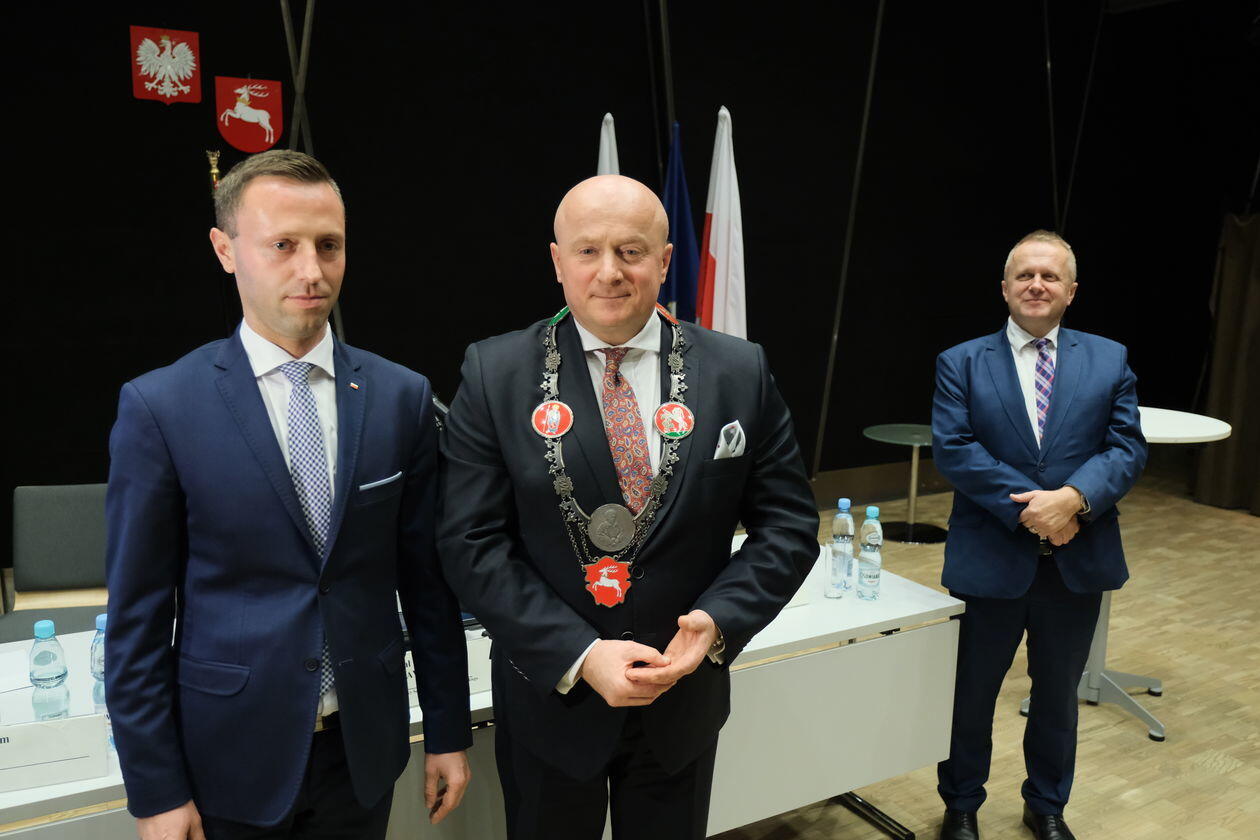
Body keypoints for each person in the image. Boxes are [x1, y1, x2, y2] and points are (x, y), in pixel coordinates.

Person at [437, 175, 819, 839]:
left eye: (631, 251)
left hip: (682, 699)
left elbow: (788, 525)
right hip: (552, 701)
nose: (610, 272)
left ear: (665, 261)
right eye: (588, 251)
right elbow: (470, 542)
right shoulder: (495, 374)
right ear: (557, 261)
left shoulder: (738, 371)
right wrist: (580, 654)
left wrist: (717, 621)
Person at [105, 149, 472, 839]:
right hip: (227, 758)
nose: (312, 270)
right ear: (225, 250)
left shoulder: (401, 397)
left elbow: (427, 585)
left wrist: (448, 730)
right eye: (283, 246)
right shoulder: (162, 408)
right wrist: (155, 790)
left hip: (363, 754)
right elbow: (137, 620)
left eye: (329, 245)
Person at [931, 231, 1147, 840]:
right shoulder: (960, 361)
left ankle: (1047, 806)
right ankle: (961, 804)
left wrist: (1075, 499)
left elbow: (1127, 448)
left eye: (1050, 276)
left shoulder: (1109, 359)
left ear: (1071, 291)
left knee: (1057, 698)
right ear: (1004, 288)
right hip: (990, 557)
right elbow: (955, 449)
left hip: (1077, 561)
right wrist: (1036, 509)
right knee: (971, 695)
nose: (1036, 285)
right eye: (1025, 274)